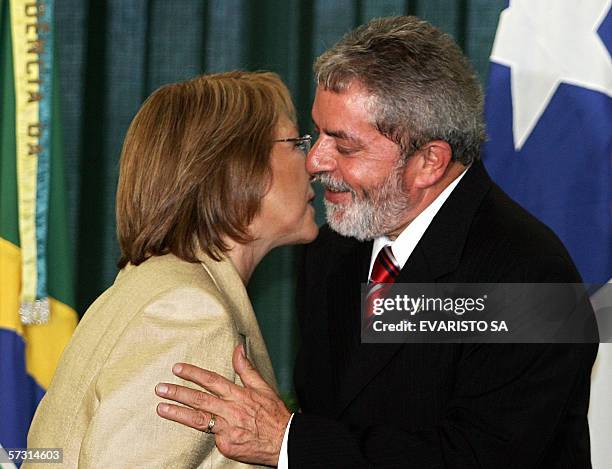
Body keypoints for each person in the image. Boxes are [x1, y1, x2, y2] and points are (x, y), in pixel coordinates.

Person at [155, 17, 598, 468]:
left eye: (343, 146)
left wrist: (289, 442)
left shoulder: (529, 277)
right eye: (317, 133)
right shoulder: (330, 251)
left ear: (429, 162)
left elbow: (478, 457)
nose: (314, 161)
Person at [25, 71, 317, 468]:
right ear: (237, 170)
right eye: (296, 144)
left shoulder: (153, 289)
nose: (314, 162)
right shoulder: (190, 312)